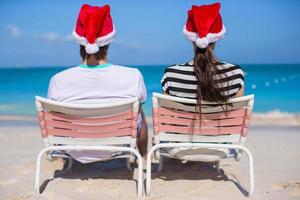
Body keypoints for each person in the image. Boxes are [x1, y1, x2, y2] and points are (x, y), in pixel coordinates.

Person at [47, 4, 148, 163]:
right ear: (108, 41)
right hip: (119, 145)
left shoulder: (58, 80)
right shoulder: (133, 76)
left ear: (79, 41)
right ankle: (143, 157)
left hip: (73, 148)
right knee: (139, 112)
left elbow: (54, 119)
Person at [161, 2, 244, 105]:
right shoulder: (235, 74)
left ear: (191, 39)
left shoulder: (171, 75)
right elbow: (236, 116)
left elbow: (166, 119)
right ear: (217, 37)